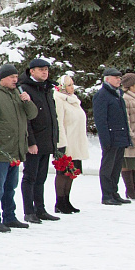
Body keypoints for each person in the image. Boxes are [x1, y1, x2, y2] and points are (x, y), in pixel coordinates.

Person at [0, 63, 38, 232]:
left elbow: (32, 114)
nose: (15, 80)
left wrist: (27, 101)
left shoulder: (18, 95)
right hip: (0, 148)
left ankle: (10, 217)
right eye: (11, 77)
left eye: (16, 77)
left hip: (16, 148)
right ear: (3, 78)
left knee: (11, 186)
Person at [19, 58, 61, 224]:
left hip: (46, 140)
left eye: (46, 69)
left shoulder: (46, 88)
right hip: (34, 141)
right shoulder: (25, 89)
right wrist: (31, 141)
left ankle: (40, 209)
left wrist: (54, 140)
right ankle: (29, 211)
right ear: (32, 71)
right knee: (30, 177)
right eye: (41, 69)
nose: (45, 72)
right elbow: (26, 119)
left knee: (41, 177)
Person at [92, 67, 133, 205]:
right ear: (107, 79)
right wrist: (105, 139)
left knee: (116, 167)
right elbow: (101, 120)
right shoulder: (102, 95)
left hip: (120, 136)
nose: (119, 80)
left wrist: (127, 137)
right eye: (116, 78)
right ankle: (107, 194)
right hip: (111, 136)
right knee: (107, 167)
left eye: (119, 78)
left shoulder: (118, 94)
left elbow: (123, 118)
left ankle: (114, 192)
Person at [52, 74, 89, 213]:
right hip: (66, 143)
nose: (72, 87)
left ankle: (66, 200)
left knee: (71, 173)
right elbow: (59, 123)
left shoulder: (73, 100)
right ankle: (60, 202)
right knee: (63, 173)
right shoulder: (59, 99)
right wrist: (61, 144)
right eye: (69, 85)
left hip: (76, 143)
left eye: (73, 84)